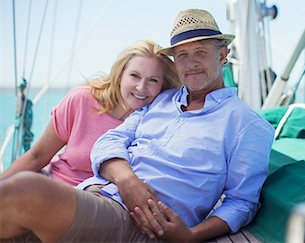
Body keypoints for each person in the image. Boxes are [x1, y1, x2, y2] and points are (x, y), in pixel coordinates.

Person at [0, 9, 274, 242]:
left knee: (26, 190)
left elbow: (242, 202)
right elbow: (106, 143)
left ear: (223, 55)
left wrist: (191, 236)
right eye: (182, 55)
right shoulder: (160, 101)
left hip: (143, 224)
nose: (190, 64)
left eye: (200, 52)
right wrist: (127, 180)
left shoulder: (248, 124)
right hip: (98, 193)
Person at [0, 40, 180, 186]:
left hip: (100, 205)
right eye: (135, 76)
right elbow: (36, 156)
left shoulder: (156, 122)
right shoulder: (82, 100)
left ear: (162, 86)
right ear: (120, 75)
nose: (141, 87)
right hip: (53, 185)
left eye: (153, 80)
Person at [16, 78, 34, 153]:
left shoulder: (24, 100)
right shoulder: (20, 98)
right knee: (25, 138)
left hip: (26, 123)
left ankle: (26, 154)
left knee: (26, 138)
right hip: (24, 122)